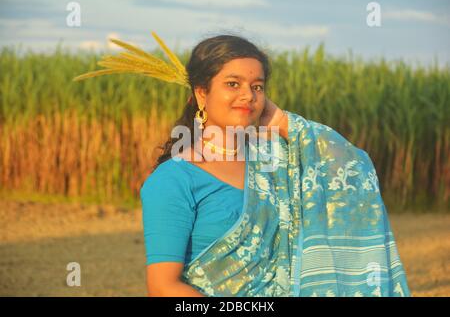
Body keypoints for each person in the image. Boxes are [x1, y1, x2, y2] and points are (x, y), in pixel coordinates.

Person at [74, 32, 410, 297]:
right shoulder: (174, 180)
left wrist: (279, 119)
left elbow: (352, 166)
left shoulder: (275, 162)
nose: (248, 95)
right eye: (232, 84)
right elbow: (163, 288)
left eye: (257, 87)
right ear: (201, 93)